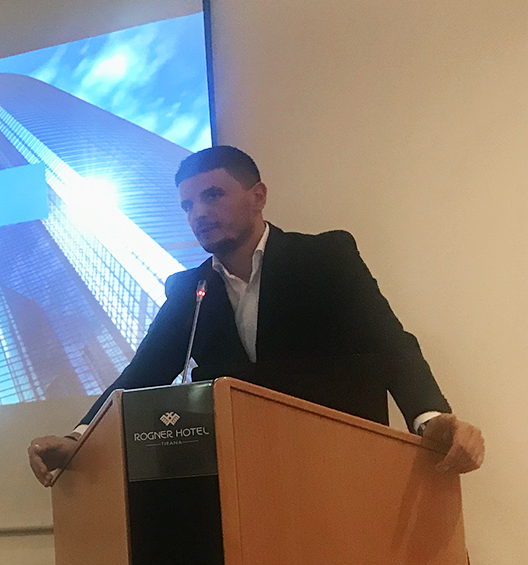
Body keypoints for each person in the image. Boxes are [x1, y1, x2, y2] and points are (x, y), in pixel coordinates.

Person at [27, 145, 485, 486]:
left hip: (342, 467)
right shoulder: (189, 290)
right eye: (188, 205)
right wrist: (79, 437)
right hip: (243, 478)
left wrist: (429, 417)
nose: (199, 213)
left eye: (213, 196)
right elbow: (143, 373)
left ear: (258, 196)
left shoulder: (325, 257)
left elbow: (388, 341)